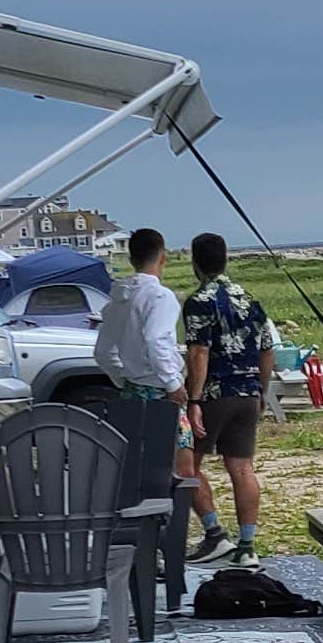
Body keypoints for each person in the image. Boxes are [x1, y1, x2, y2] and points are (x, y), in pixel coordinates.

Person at [93, 225, 219, 553]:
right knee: (181, 471)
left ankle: (150, 543)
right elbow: (157, 340)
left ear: (132, 256)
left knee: (140, 473)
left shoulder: (119, 297)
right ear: (162, 256)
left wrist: (124, 378)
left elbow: (103, 352)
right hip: (160, 396)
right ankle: (185, 539)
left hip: (131, 395)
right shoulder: (160, 296)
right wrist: (174, 384)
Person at [180, 230, 277, 560]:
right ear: (226, 258)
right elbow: (267, 351)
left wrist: (193, 401)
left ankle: (214, 533)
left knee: (186, 466)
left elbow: (199, 353)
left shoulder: (199, 301)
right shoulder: (249, 299)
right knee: (243, 468)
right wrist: (261, 391)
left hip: (213, 394)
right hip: (248, 392)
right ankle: (248, 546)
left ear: (195, 262)